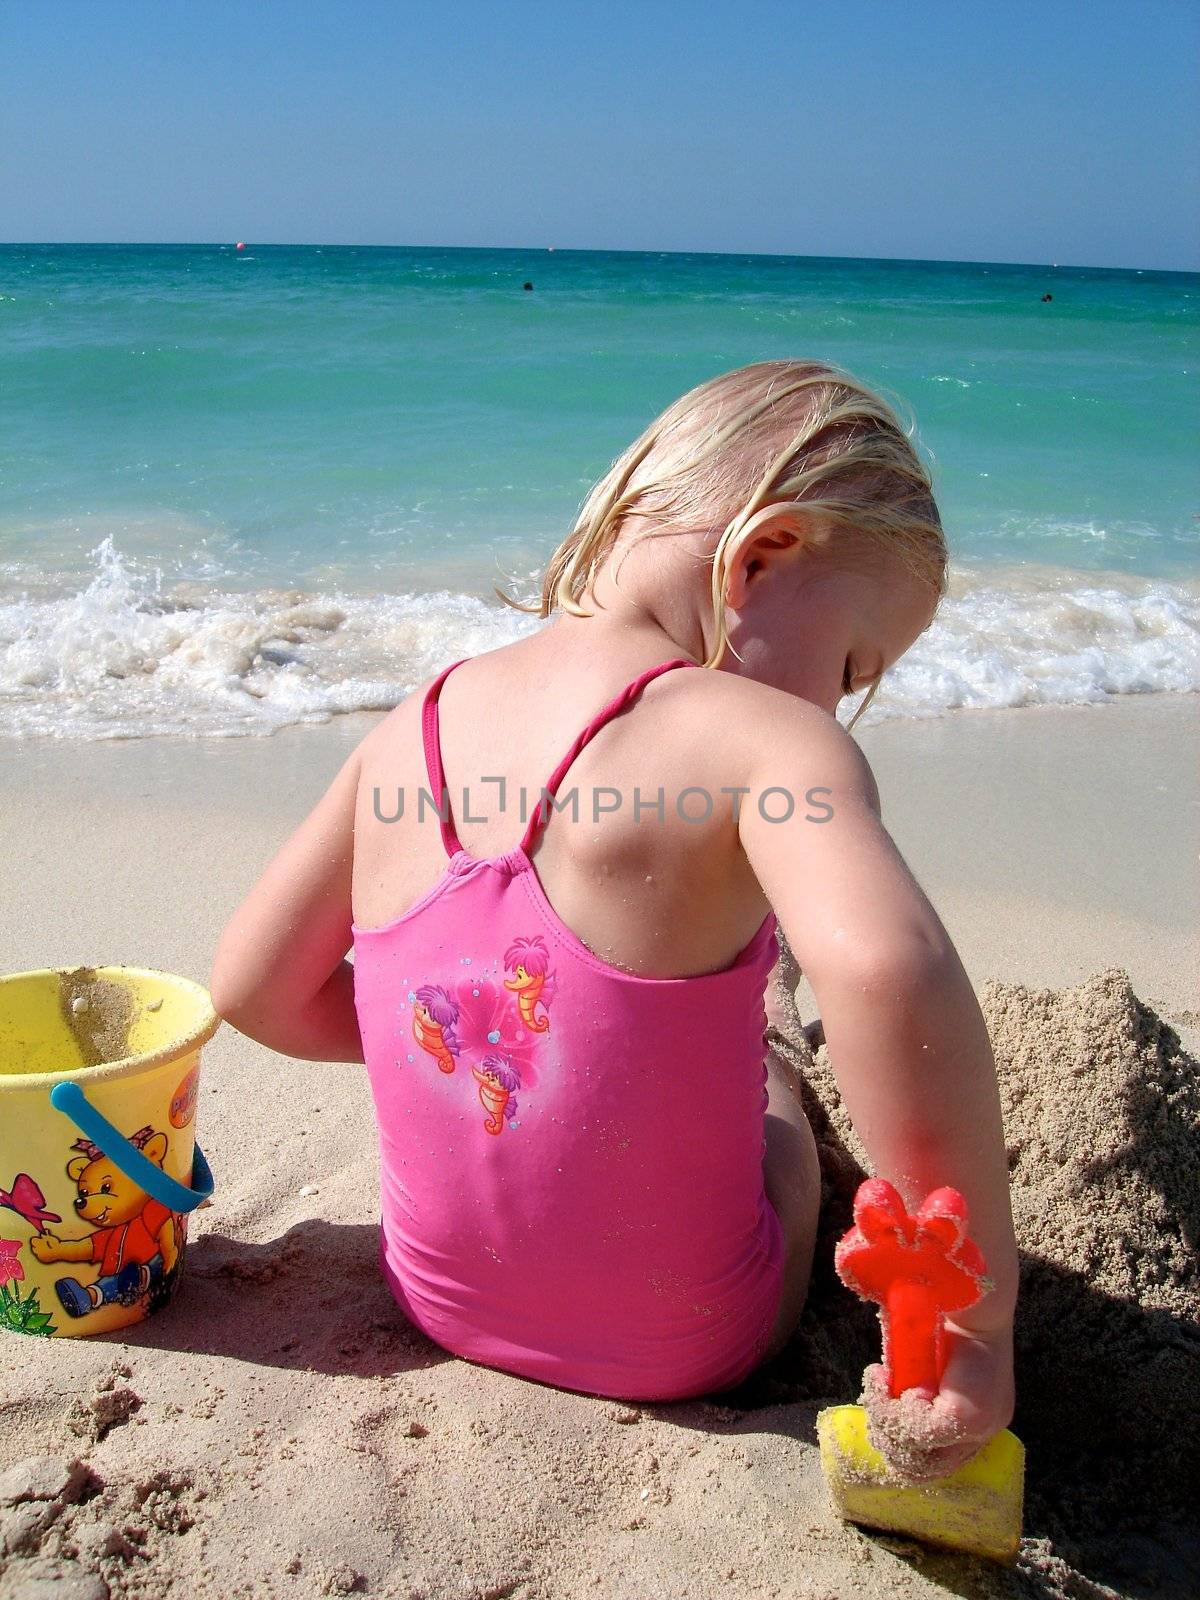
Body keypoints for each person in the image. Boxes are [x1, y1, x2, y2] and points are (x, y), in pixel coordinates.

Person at [209, 359, 1018, 1479]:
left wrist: (464, 1041)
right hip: (691, 1336)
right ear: (761, 556)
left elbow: (253, 988)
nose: (837, 700)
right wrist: (977, 1324)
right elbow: (886, 969)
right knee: (775, 1093)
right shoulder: (769, 746)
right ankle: (766, 1039)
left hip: (438, 1297)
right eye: (849, 662)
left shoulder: (412, 725)